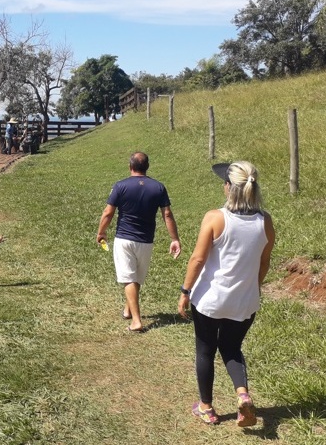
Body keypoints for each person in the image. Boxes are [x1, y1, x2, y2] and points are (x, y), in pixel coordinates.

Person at [178, 161, 275, 427]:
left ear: (229, 188)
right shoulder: (265, 221)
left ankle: (207, 408)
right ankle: (242, 394)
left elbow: (197, 260)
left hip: (210, 300)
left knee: (205, 351)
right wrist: (251, 286)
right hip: (245, 302)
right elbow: (264, 262)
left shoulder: (215, 217)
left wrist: (185, 291)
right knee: (232, 348)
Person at [96, 152, 181, 332]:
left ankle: (136, 321)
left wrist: (101, 232)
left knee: (129, 278)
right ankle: (128, 310)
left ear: (130, 167)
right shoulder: (158, 187)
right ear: (147, 167)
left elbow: (108, 213)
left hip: (124, 238)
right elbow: (167, 214)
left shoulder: (121, 186)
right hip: (146, 240)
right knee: (135, 277)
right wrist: (174, 239)